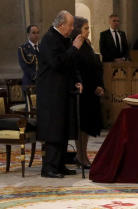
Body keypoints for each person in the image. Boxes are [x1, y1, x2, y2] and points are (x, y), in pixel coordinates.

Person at [37, 10, 84, 179]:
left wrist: (76, 80)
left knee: (62, 128)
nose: (72, 29)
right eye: (70, 25)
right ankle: (49, 168)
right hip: (51, 94)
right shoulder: (49, 39)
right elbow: (58, 63)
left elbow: (70, 65)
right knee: (54, 130)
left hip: (62, 92)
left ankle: (59, 165)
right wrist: (74, 48)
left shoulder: (62, 40)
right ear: (60, 25)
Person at [70, 16, 104, 169]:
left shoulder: (87, 45)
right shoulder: (75, 46)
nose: (88, 31)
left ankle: (83, 154)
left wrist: (100, 86)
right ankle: (80, 155)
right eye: (85, 28)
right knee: (82, 125)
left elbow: (95, 67)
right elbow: (80, 72)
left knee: (88, 125)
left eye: (88, 28)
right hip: (83, 92)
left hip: (92, 92)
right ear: (77, 29)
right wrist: (92, 87)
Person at [18, 25, 40, 104]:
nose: (36, 35)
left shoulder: (42, 48)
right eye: (34, 33)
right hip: (30, 82)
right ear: (28, 34)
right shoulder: (23, 49)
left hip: (42, 83)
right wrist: (35, 76)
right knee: (30, 107)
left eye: (38, 33)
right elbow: (24, 66)